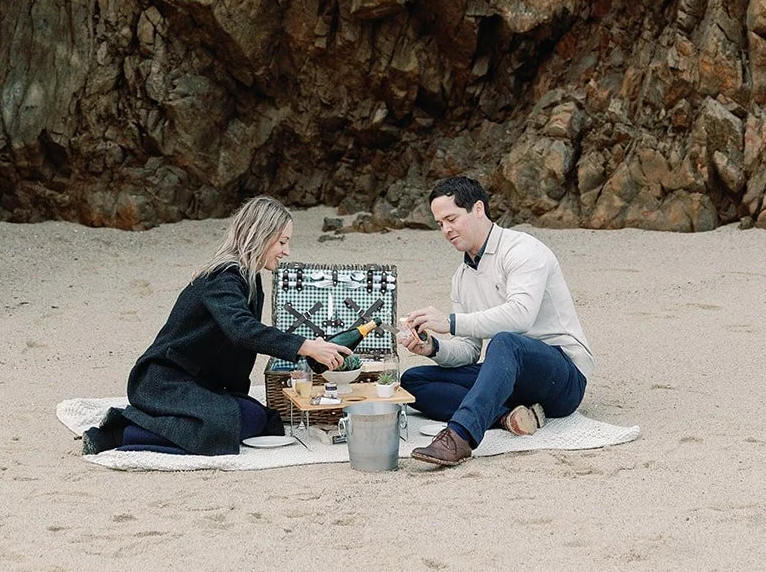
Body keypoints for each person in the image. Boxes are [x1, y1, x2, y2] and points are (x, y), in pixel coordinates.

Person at [81, 196, 348, 457]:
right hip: (162, 380)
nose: (286, 251)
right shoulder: (223, 277)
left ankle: (184, 418)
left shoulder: (250, 278)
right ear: (261, 236)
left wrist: (230, 398)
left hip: (199, 382)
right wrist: (306, 346)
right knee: (220, 429)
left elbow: (237, 344)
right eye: (282, 242)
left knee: (261, 419)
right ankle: (119, 432)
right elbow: (242, 329)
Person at [400, 175, 594, 468]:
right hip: (509, 375)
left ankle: (459, 437)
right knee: (412, 381)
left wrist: (450, 322)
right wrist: (432, 347)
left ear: (478, 209)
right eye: (440, 224)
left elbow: (520, 316)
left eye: (451, 218)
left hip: (563, 376)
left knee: (505, 341)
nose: (446, 230)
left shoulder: (522, 250)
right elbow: (468, 350)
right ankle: (508, 416)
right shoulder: (461, 277)